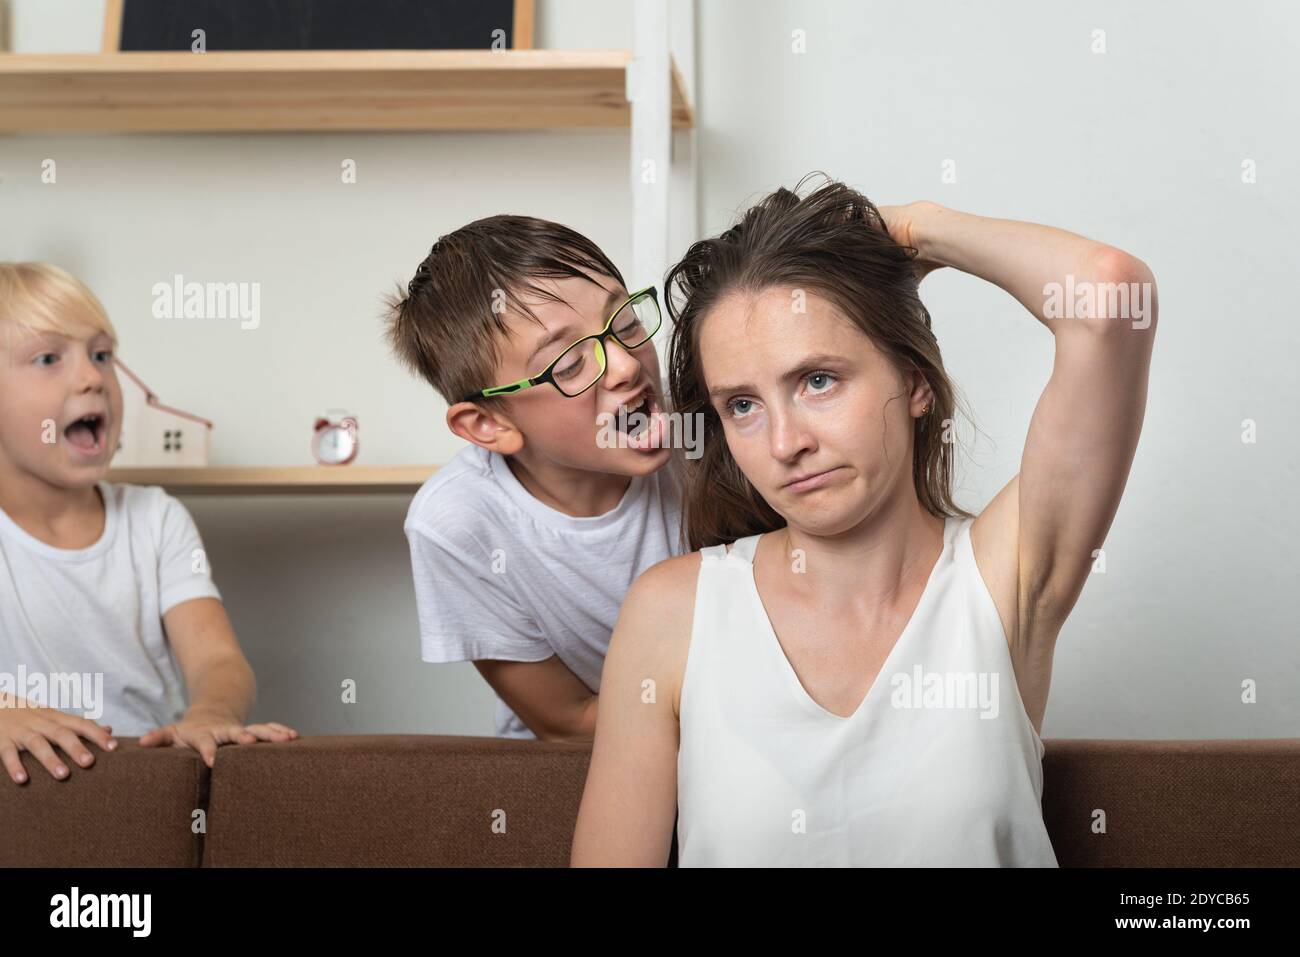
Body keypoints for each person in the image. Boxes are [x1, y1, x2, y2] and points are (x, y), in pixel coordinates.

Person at [571, 174, 1157, 865]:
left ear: (912, 380)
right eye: (742, 406)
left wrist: (916, 228)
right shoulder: (672, 611)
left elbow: (1111, 298)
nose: (786, 441)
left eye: (818, 380)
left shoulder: (1002, 576)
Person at [385, 216, 687, 743]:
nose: (623, 365)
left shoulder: (713, 433)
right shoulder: (456, 523)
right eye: (569, 363)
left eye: (625, 321)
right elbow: (568, 722)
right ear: (489, 424)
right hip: (581, 760)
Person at [0, 262, 298, 785]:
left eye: (101, 355)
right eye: (48, 358)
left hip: (148, 788)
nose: (92, 377)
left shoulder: (155, 519)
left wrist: (211, 712)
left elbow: (218, 661)